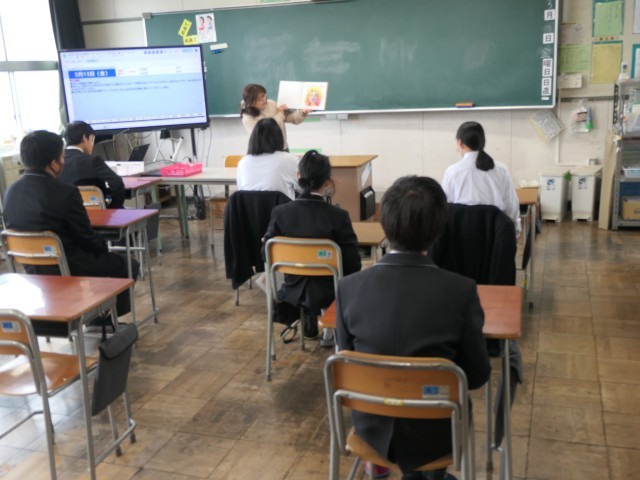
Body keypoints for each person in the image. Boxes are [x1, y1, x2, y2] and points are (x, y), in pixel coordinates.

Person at [336, 176, 491, 480]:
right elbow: (475, 376)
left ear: (384, 223)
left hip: (372, 429)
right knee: (441, 395)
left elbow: (346, 360)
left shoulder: (348, 288)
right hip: (437, 433)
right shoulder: (460, 291)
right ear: (439, 229)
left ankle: (391, 466)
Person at [2, 130, 137, 323]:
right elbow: (87, 238)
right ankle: (105, 320)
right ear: (54, 163)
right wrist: (103, 248)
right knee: (128, 264)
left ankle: (98, 316)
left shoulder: (10, 192)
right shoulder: (65, 193)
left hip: (31, 269)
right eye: (62, 156)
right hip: (68, 266)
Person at [263, 150, 361, 343]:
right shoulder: (338, 216)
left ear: (298, 176)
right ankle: (331, 329)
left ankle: (307, 318)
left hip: (292, 290)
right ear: (328, 181)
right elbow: (353, 263)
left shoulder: (280, 213)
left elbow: (266, 254)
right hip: (331, 290)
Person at [441, 121, 521, 236]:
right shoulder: (501, 170)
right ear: (483, 142)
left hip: (461, 239)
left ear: (460, 143)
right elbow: (511, 208)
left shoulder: (451, 172)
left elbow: (445, 209)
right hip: (495, 238)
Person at [59, 121, 126, 209]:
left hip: (65, 213)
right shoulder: (92, 161)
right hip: (96, 213)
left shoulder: (57, 161)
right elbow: (117, 183)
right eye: (92, 139)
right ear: (84, 137)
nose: (92, 144)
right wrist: (112, 208)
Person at [237, 118, 300, 200]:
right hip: (282, 208)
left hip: (250, 208)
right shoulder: (290, 160)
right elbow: (302, 187)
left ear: (253, 138)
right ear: (279, 137)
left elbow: (241, 189)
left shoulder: (243, 163)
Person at [240, 83, 308, 150]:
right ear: (251, 102)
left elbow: (292, 118)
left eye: (263, 96)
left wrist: (302, 112)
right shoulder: (247, 118)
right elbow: (265, 133)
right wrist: (280, 114)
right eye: (259, 99)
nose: (264, 100)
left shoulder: (271, 103)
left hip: (283, 148)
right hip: (265, 152)